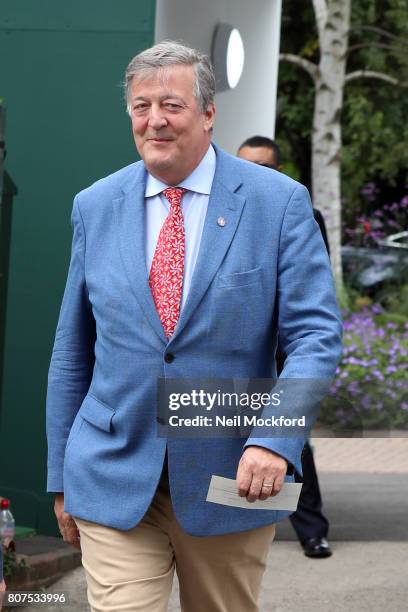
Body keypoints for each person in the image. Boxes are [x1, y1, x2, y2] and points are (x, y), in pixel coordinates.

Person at [46, 41, 342, 612]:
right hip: (111, 466)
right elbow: (71, 350)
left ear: (208, 114)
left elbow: (315, 338)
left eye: (172, 105)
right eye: (140, 106)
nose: (154, 119)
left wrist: (276, 441)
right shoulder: (95, 204)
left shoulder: (278, 202)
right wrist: (61, 473)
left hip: (233, 466)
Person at [238, 135, 334, 558]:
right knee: (221, 430)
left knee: (291, 439)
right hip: (238, 355)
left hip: (284, 353)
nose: (251, 173)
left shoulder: (299, 211)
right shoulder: (222, 211)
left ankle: (310, 529)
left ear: (278, 170)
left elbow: (314, 293)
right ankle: (245, 518)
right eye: (244, 165)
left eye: (261, 165)